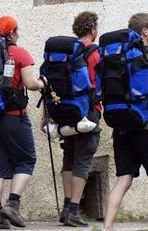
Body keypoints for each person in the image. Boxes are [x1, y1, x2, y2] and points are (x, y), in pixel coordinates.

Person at [103, 13, 148, 231]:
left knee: (123, 178)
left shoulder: (118, 58)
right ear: (144, 31)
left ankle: (107, 226)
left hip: (122, 127)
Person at [0, 15, 46, 229]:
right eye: (17, 30)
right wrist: (41, 83)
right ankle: (13, 205)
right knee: (27, 159)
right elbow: (29, 83)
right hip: (12, 116)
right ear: (12, 32)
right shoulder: (18, 52)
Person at [56, 12, 101, 227]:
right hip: (87, 110)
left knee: (69, 157)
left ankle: (66, 208)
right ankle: (74, 210)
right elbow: (99, 81)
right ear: (92, 29)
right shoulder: (94, 52)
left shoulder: (67, 51)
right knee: (83, 160)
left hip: (66, 110)